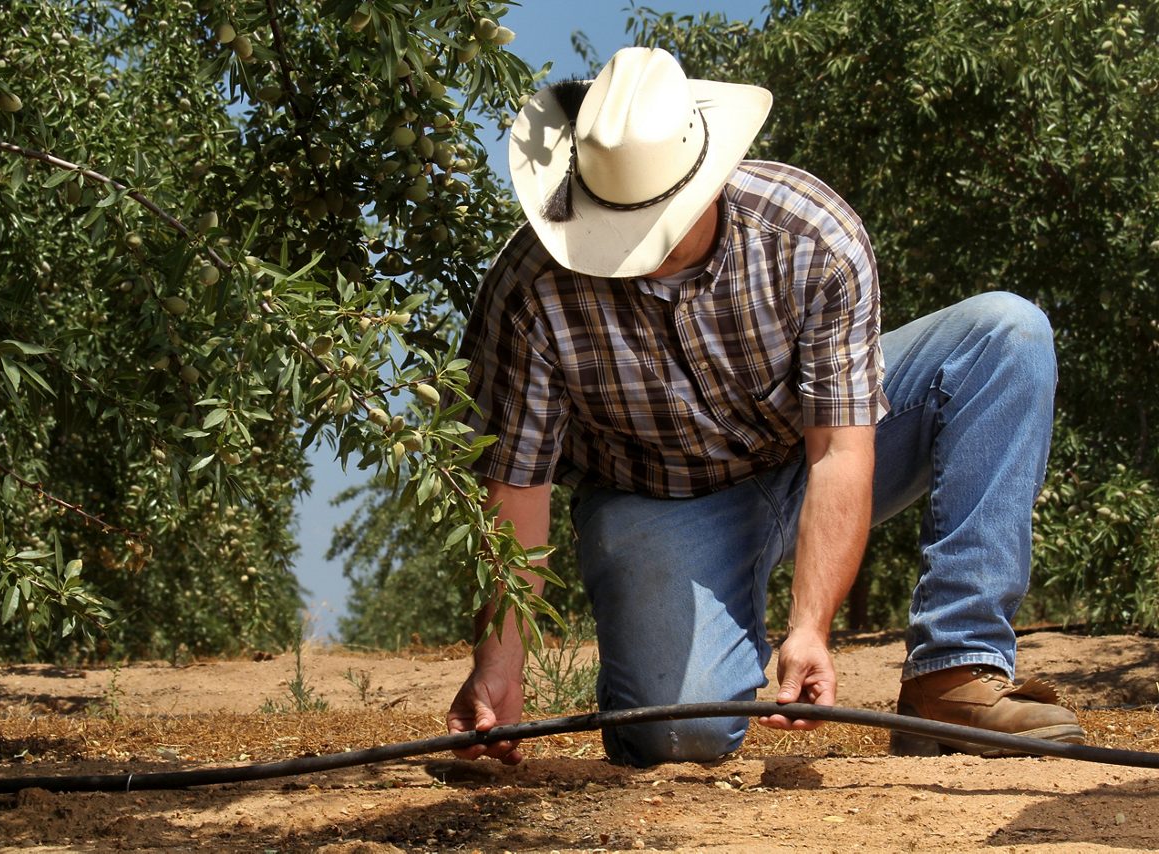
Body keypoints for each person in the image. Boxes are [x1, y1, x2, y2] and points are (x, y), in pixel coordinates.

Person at [446, 46, 1084, 767]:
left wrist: (809, 629)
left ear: (707, 179)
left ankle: (954, 672)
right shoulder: (528, 289)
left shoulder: (811, 236)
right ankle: (653, 678)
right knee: (680, 737)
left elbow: (841, 450)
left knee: (1007, 334)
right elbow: (516, 490)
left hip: (806, 455)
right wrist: (498, 665)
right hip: (659, 500)